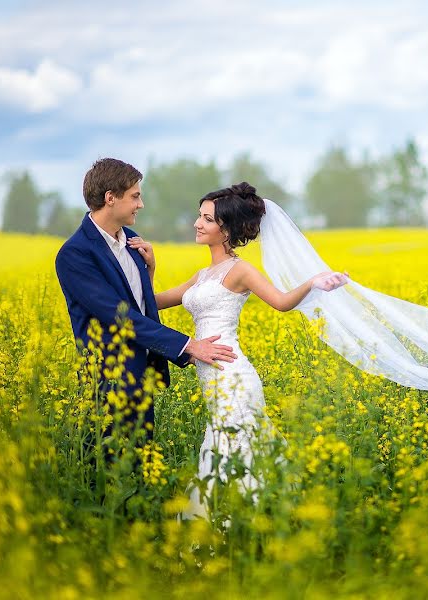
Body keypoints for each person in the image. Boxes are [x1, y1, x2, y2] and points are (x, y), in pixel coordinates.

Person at [129, 182, 348, 518]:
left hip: (232, 375)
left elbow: (280, 302)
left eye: (206, 219)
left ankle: (242, 524)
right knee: (228, 448)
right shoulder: (202, 275)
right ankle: (251, 523)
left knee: (234, 448)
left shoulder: (240, 270)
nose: (197, 224)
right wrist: (150, 269)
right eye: (198, 216)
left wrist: (311, 283)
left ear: (226, 229)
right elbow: (152, 304)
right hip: (214, 379)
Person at [55, 158, 238, 455]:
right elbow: (119, 316)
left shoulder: (132, 242)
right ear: (110, 198)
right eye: (135, 196)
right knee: (106, 474)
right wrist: (188, 346)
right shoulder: (75, 254)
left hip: (141, 379)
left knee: (140, 471)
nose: (140, 204)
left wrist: (149, 272)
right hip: (108, 384)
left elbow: (139, 304)